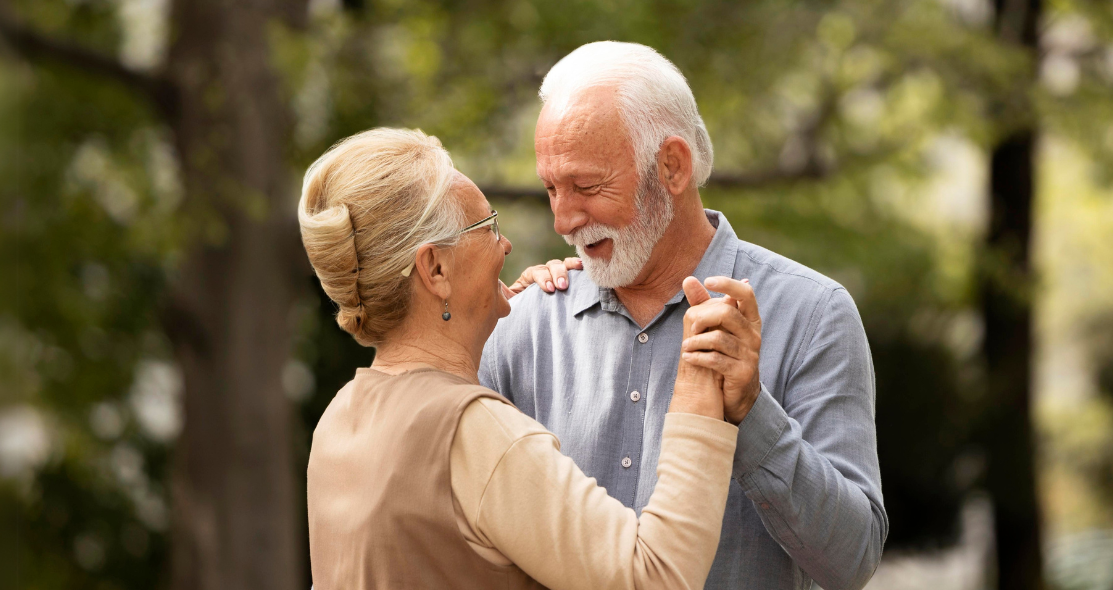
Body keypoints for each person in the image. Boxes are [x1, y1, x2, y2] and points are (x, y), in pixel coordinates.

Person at [487, 41, 887, 589]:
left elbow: (852, 561)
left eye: (586, 186)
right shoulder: (524, 324)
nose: (563, 219)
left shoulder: (813, 313)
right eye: (551, 188)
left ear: (673, 166)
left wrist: (752, 412)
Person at [300, 127, 764, 589]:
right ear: (436, 269)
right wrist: (698, 390)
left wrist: (488, 309)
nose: (505, 246)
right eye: (487, 228)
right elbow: (656, 576)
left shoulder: (340, 419)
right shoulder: (474, 433)